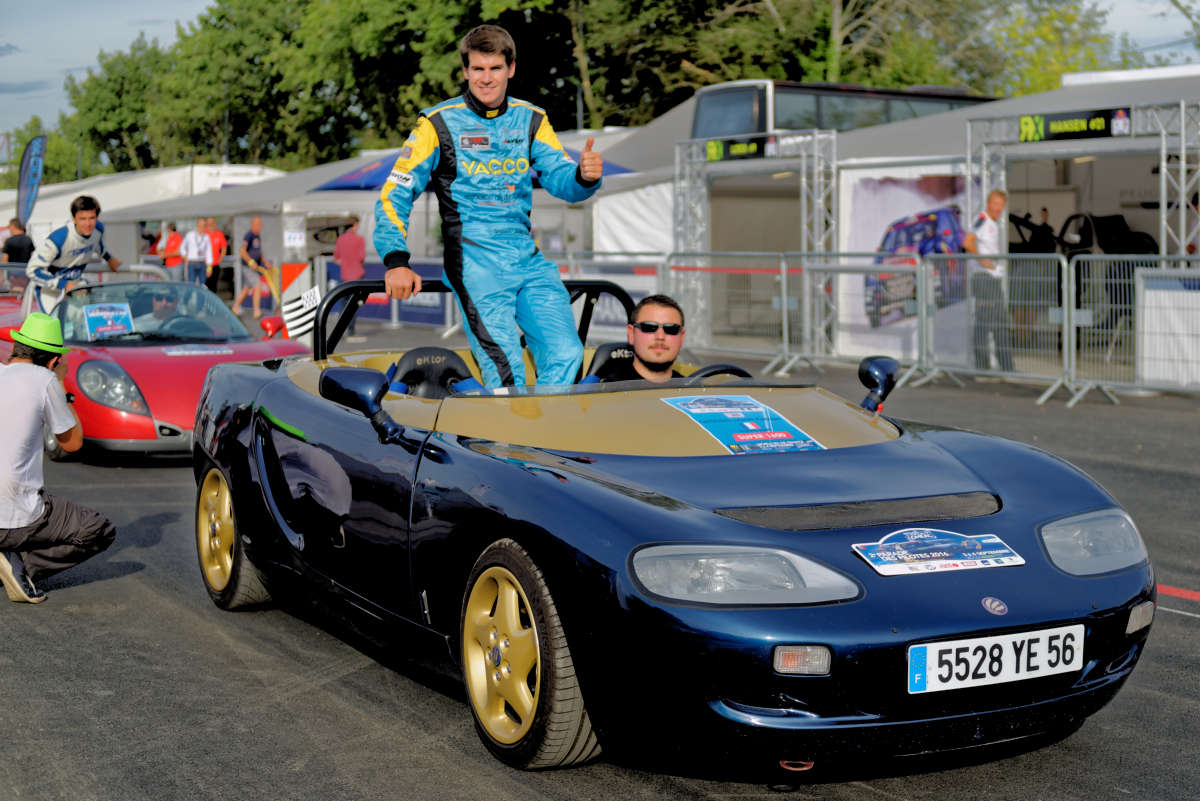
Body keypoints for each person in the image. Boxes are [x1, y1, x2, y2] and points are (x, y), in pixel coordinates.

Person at [375, 24, 604, 388]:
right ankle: (507, 426)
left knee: (567, 353)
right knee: (505, 368)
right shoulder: (436, 123)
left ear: (511, 68)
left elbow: (562, 180)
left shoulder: (532, 118)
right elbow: (395, 193)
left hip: (527, 258)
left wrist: (584, 177)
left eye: (495, 68)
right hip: (474, 261)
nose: (486, 78)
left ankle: (545, 426)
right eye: (478, 68)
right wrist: (396, 261)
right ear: (465, 71)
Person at [0, 312, 116, 603]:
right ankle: (21, 567)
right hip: (15, 514)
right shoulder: (45, 379)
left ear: (17, 347)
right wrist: (61, 383)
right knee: (99, 529)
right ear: (53, 360)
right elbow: (73, 442)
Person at [26, 195, 122, 313]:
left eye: (92, 218)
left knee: (88, 320)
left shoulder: (98, 230)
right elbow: (32, 270)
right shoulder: (59, 239)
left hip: (76, 287)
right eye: (82, 219)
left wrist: (110, 259)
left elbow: (97, 244)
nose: (87, 224)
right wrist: (64, 284)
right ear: (74, 219)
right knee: (55, 323)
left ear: (97, 218)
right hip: (50, 291)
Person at [962, 189, 1014, 373]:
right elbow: (967, 242)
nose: (998, 208)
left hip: (992, 279)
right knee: (986, 323)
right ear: (988, 203)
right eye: (995, 204)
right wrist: (983, 260)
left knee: (998, 322)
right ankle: (984, 367)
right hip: (984, 279)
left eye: (1001, 205)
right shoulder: (982, 220)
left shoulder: (993, 223)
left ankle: (1005, 366)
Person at [594, 294, 687, 383]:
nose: (660, 337)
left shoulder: (691, 389)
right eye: (649, 327)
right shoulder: (606, 390)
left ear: (682, 337)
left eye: (671, 329)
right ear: (631, 334)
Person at [332, 216, 367, 337]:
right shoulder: (360, 239)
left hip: (345, 276)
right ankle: (351, 330)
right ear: (354, 225)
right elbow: (362, 258)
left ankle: (339, 330)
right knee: (354, 304)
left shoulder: (340, 239)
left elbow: (336, 258)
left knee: (343, 304)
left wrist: (345, 262)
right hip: (357, 275)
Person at [234, 216, 270, 319]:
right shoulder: (248, 236)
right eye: (257, 224)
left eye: (260, 224)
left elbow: (259, 251)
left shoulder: (257, 236)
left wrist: (265, 262)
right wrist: (250, 262)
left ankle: (235, 307)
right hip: (248, 267)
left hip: (254, 267)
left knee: (246, 288)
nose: (259, 226)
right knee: (258, 286)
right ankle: (256, 311)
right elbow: (242, 251)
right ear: (252, 225)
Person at [181, 218, 212, 285]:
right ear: (197, 225)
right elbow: (182, 247)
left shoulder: (206, 237)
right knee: (191, 284)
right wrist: (185, 257)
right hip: (192, 263)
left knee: (203, 285)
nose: (202, 227)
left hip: (202, 263)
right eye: (201, 225)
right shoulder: (190, 235)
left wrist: (209, 268)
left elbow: (209, 252)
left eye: (204, 225)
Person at [205, 217, 228, 293]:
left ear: (215, 224)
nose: (210, 225)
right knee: (205, 286)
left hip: (215, 265)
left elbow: (224, 248)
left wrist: (220, 260)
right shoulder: (204, 234)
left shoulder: (219, 234)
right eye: (209, 224)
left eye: (212, 223)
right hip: (205, 265)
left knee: (213, 286)